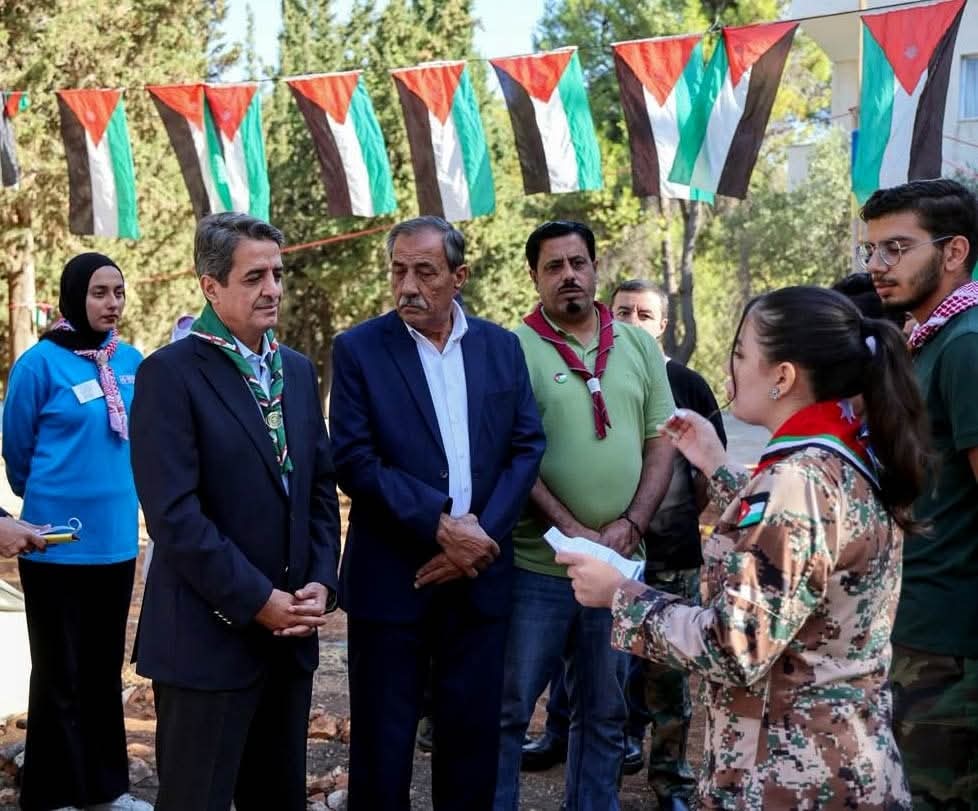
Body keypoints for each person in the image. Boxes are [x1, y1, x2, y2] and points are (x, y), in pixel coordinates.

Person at [558, 285, 929, 810]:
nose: (728, 369)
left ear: (783, 376)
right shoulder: (839, 458)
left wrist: (620, 594)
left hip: (794, 781)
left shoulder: (797, 482)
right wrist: (717, 465)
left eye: (740, 353)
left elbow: (736, 648)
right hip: (835, 765)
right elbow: (799, 544)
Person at [329, 216, 544, 811]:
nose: (408, 286)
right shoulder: (358, 349)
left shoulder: (500, 348)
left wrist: (481, 537)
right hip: (392, 581)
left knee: (471, 746)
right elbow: (353, 460)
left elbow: (527, 446)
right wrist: (441, 526)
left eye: (425, 271)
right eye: (398, 271)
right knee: (383, 748)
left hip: (479, 579)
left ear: (459, 276)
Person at [130, 213, 341, 811]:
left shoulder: (295, 370)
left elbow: (319, 489)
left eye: (277, 273)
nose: (272, 288)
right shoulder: (168, 374)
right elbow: (174, 516)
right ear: (211, 286)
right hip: (206, 644)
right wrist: (256, 601)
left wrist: (321, 581)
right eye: (254, 277)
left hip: (289, 643)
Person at [495, 222, 676, 811]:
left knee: (604, 712)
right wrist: (569, 529)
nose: (569, 275)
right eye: (554, 266)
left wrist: (633, 524)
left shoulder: (637, 345)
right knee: (510, 709)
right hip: (538, 566)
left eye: (578, 262)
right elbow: (511, 452)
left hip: (620, 567)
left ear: (596, 268)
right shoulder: (512, 348)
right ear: (534, 276)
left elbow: (661, 441)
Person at [525, 281, 725, 811]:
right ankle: (569, 751)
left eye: (645, 314)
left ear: (663, 325)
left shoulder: (687, 383)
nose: (634, 320)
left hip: (666, 554)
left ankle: (671, 781)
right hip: (591, 556)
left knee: (663, 680)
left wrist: (652, 519)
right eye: (624, 311)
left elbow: (709, 470)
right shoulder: (564, 359)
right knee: (586, 678)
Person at [2, 252, 149, 811]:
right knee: (58, 674)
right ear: (73, 297)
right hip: (53, 543)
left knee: (102, 671)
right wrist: (44, 498)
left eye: (118, 292)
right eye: (99, 292)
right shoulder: (38, 364)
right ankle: (52, 794)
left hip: (116, 541)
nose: (112, 303)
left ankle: (106, 790)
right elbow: (17, 451)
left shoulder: (131, 360)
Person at [860, 178, 978, 809]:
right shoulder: (928, 339)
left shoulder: (966, 345)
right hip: (918, 626)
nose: (877, 265)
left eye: (896, 248)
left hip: (950, 644)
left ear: (954, 251)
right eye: (872, 250)